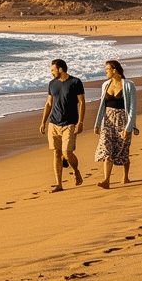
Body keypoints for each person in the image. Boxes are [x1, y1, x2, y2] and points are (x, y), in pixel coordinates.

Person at [40, 59, 86, 193]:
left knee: (67, 152)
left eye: (53, 70)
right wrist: (43, 122)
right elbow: (49, 104)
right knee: (56, 153)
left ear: (60, 69)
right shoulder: (52, 84)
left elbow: (82, 103)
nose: (51, 72)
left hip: (70, 123)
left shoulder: (75, 82)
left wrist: (80, 122)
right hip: (54, 123)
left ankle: (76, 171)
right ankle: (59, 184)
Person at [93, 60, 137, 189]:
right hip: (108, 120)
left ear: (114, 70)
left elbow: (133, 107)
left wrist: (129, 127)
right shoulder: (105, 85)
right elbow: (102, 105)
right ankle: (106, 180)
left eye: (107, 69)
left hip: (123, 119)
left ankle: (125, 176)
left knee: (122, 149)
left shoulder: (129, 85)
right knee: (107, 149)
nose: (105, 71)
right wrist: (97, 123)